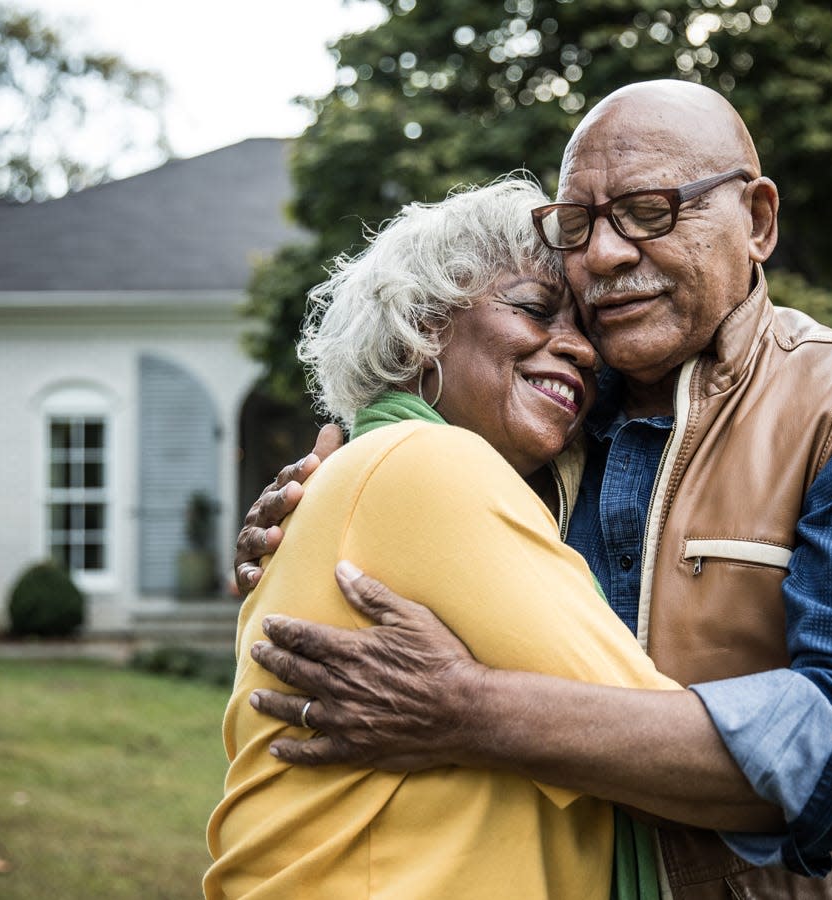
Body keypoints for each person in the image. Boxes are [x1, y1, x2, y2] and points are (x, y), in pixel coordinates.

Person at [238, 81, 832, 894]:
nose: (601, 255)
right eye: (578, 224)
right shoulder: (535, 428)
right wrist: (318, 517)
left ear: (758, 220)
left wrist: (470, 712)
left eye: (648, 210)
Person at [203, 177, 731, 900]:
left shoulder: (371, 472)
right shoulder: (428, 463)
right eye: (537, 309)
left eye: (587, 330)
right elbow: (687, 762)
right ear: (423, 322)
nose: (582, 350)